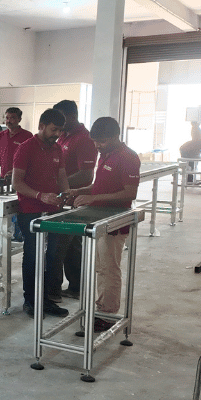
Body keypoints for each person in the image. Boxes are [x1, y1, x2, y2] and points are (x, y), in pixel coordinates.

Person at [68, 117, 141, 333]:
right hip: (99, 220)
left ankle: (108, 314)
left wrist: (93, 198)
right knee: (100, 267)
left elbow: (129, 193)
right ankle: (101, 308)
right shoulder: (105, 155)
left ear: (115, 136)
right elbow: (99, 186)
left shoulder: (128, 157)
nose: (97, 145)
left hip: (115, 222)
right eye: (95, 141)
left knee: (109, 268)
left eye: (101, 141)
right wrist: (80, 191)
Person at [11, 108, 70, 319]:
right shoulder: (26, 148)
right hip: (31, 211)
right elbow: (17, 182)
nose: (57, 135)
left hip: (53, 211)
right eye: (54, 130)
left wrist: (67, 193)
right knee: (33, 256)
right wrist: (40, 195)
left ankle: (45, 300)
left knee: (51, 257)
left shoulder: (57, 149)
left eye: (60, 131)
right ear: (41, 126)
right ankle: (30, 300)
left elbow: (62, 176)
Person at [49, 99, 98, 302]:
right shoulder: (63, 136)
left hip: (72, 200)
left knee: (58, 246)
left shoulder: (84, 139)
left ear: (72, 116)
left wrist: (58, 185)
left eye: (61, 118)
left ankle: (52, 292)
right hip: (63, 199)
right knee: (71, 247)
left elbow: (86, 175)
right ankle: (76, 287)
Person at [0, 107, 32, 241]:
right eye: (7, 118)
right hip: (5, 179)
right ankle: (6, 237)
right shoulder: (1, 136)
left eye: (13, 118)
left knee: (19, 208)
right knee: (5, 211)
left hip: (22, 180)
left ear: (19, 119)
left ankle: (19, 235)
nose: (9, 121)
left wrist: (16, 171)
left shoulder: (27, 136)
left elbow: (32, 159)